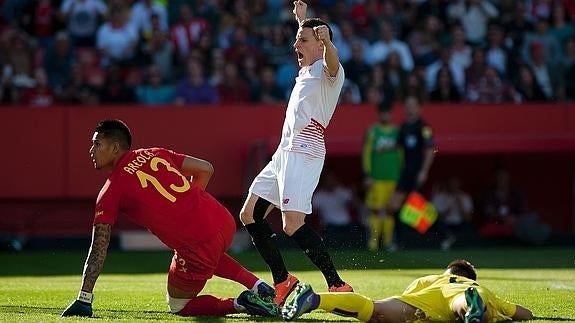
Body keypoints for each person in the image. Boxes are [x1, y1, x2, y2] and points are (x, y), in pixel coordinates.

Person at [61, 119, 279, 318]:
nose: (91, 150)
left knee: (179, 305)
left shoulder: (110, 191)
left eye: (97, 144)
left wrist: (84, 297)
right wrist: (189, 207)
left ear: (115, 148)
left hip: (198, 243)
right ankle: (258, 285)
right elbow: (206, 168)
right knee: (206, 253)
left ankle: (241, 303)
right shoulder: (155, 152)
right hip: (223, 220)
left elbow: (99, 247)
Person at [238, 0, 352, 306]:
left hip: (305, 150)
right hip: (285, 153)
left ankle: (337, 284)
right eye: (296, 39)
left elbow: (331, 61)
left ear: (320, 44)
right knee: (249, 214)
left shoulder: (330, 72)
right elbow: (310, 45)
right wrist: (301, 21)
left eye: (302, 40)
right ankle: (283, 282)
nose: (295, 44)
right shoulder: (306, 70)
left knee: (291, 224)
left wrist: (325, 39)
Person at [282, 259, 534, 322]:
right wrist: (525, 314)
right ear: (467, 277)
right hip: (465, 295)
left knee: (375, 310)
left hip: (421, 302)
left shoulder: (430, 279)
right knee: (459, 304)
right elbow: (524, 313)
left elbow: (409, 294)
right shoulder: (474, 285)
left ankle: (316, 299)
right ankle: (470, 309)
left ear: (448, 272)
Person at [387, 95, 435, 248]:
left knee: (417, 207)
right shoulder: (403, 127)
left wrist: (424, 171)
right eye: (407, 105)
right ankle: (399, 241)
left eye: (413, 105)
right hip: (406, 172)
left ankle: (442, 234)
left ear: (419, 107)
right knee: (396, 205)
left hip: (417, 172)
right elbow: (397, 145)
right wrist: (383, 148)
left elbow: (429, 150)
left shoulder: (424, 127)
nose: (409, 108)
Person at [361, 102, 402, 252]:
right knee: (376, 210)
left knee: (391, 210)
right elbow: (366, 154)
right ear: (379, 114)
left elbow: (401, 154)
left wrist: (402, 174)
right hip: (377, 178)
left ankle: (388, 242)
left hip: (393, 177)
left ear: (391, 114)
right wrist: (367, 174)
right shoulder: (372, 132)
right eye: (382, 113)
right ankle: (373, 242)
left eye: (387, 112)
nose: (385, 115)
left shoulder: (397, 132)